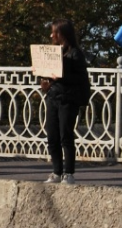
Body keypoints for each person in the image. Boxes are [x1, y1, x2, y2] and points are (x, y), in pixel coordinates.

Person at [38, 19, 90, 185]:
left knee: (65, 136)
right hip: (53, 97)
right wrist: (43, 78)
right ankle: (56, 171)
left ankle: (69, 173)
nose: (51, 35)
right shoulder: (55, 52)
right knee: (52, 136)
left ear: (62, 34)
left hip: (68, 99)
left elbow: (80, 78)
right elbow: (49, 75)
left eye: (54, 32)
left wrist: (60, 76)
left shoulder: (75, 53)